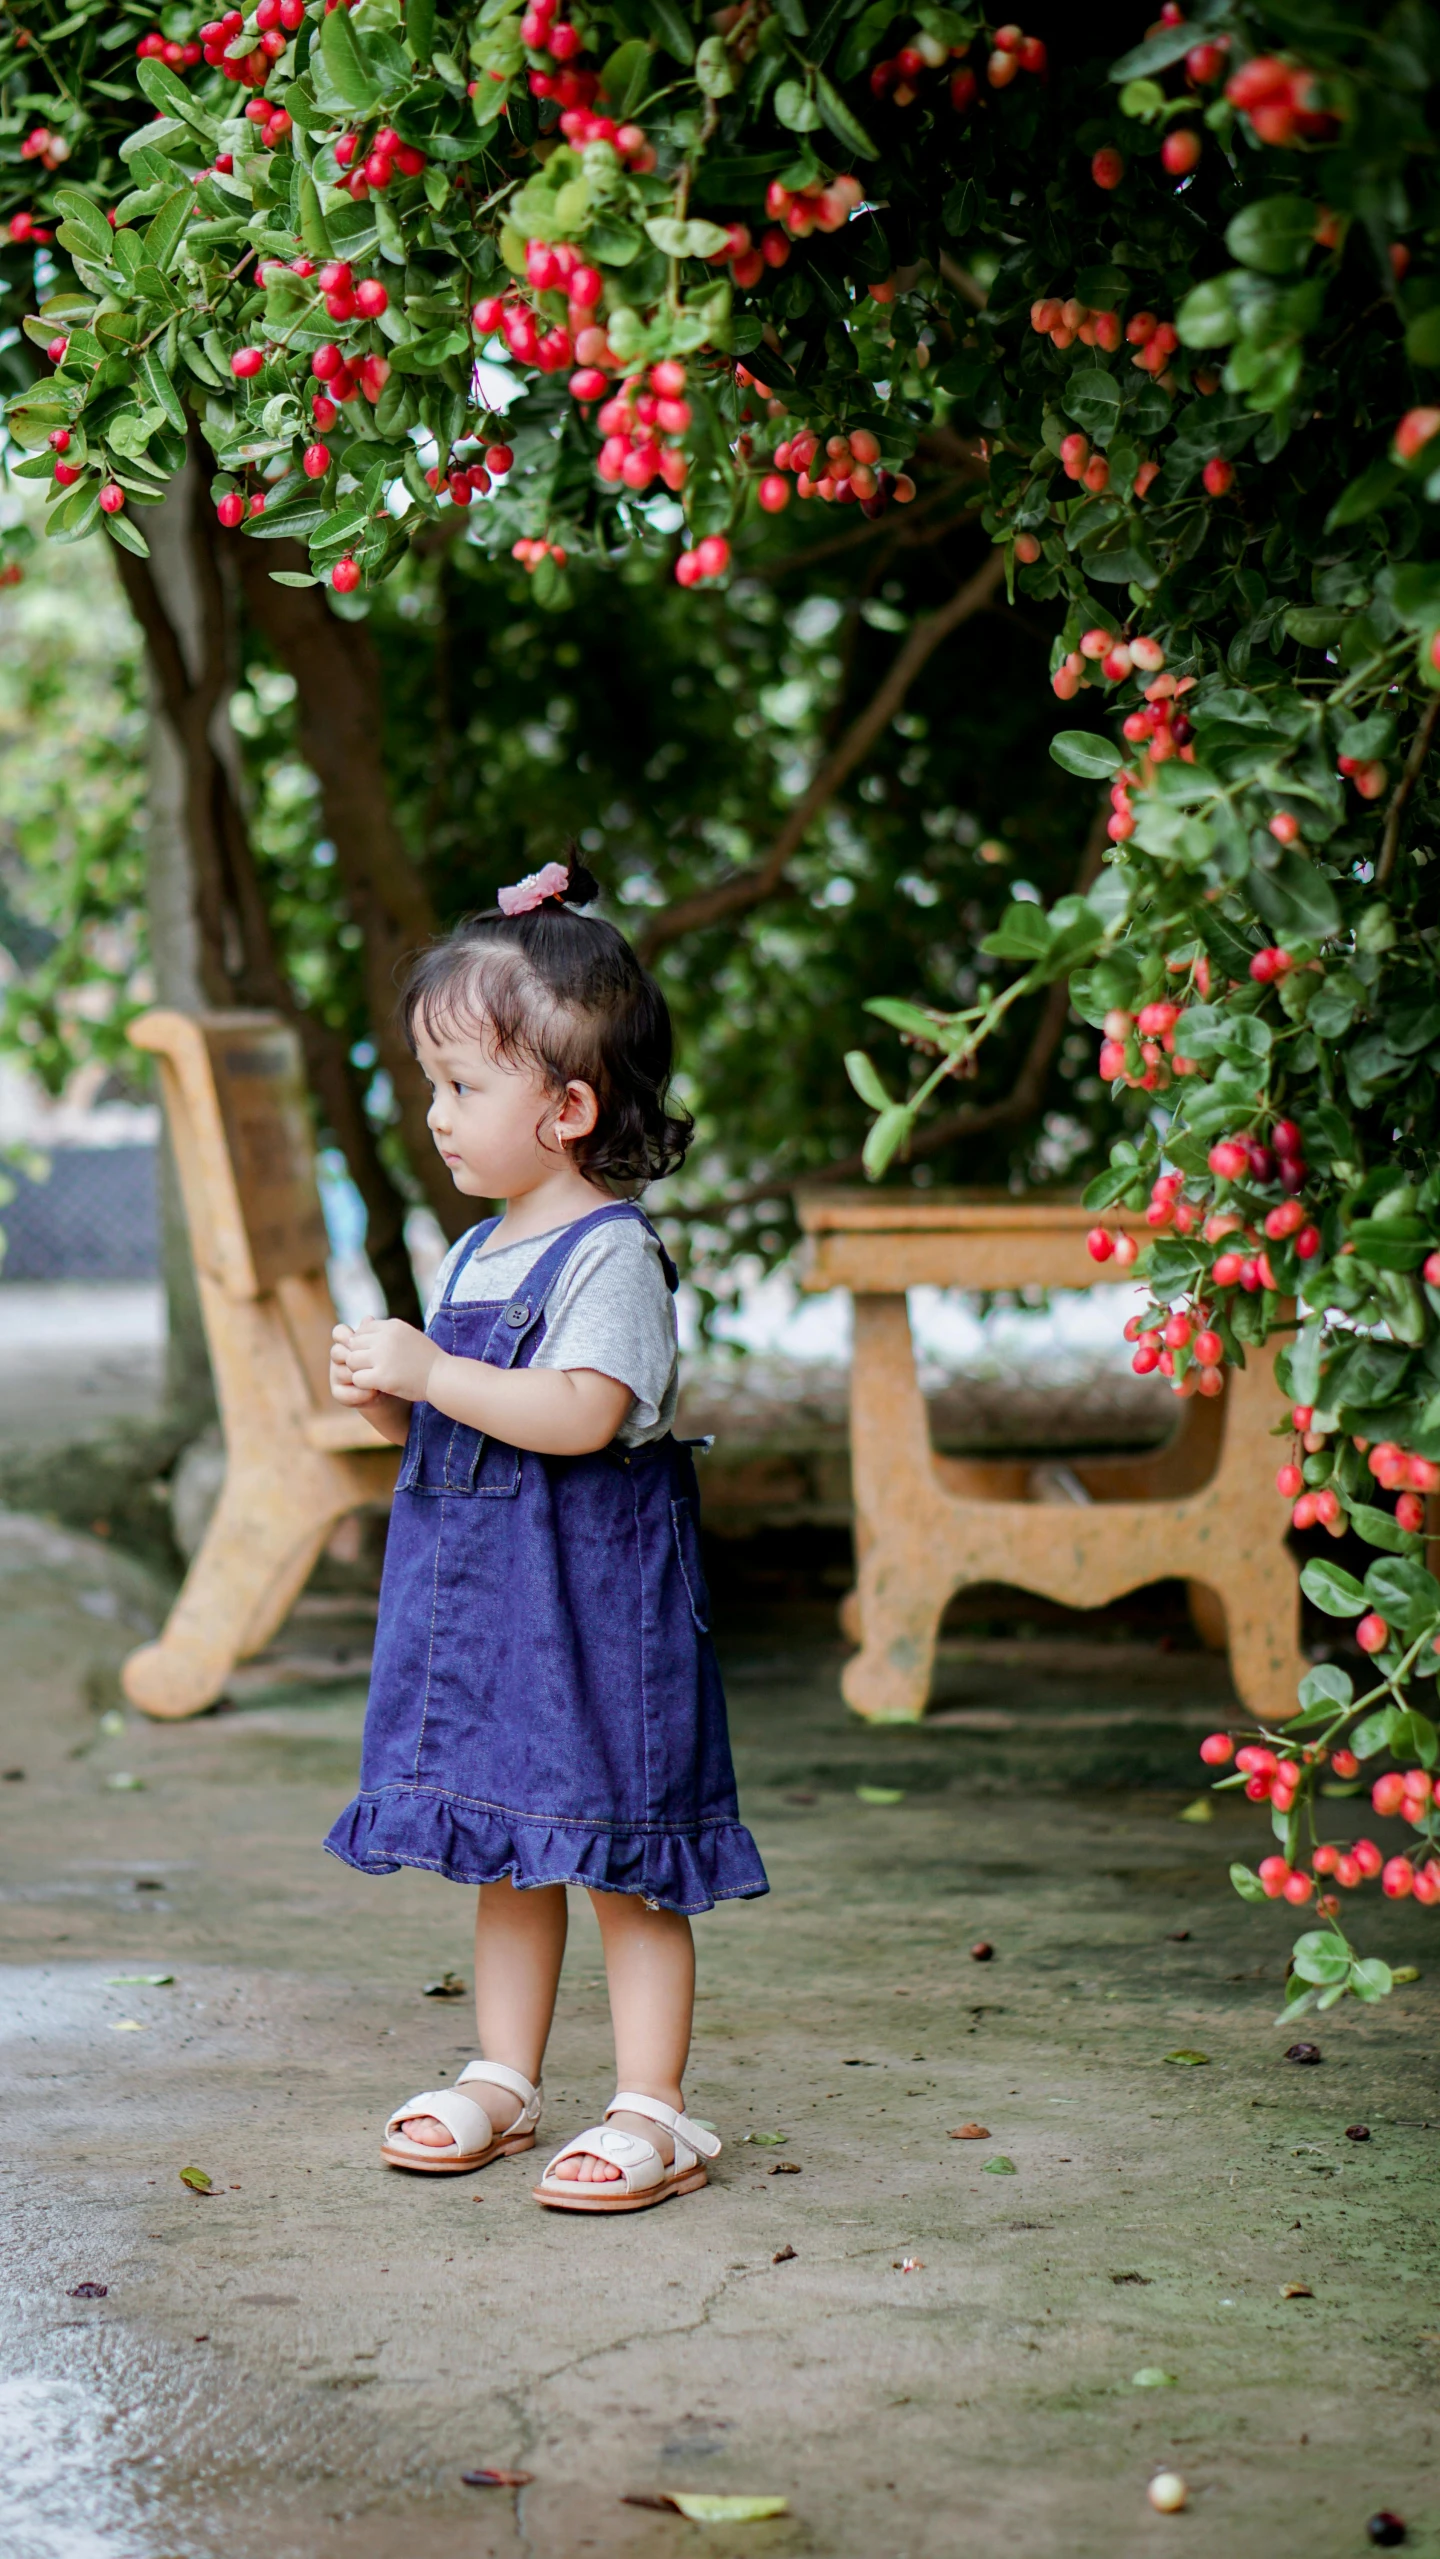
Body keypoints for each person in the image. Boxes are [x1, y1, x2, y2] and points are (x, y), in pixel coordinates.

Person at [325, 857, 767, 2212]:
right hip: (488, 1619)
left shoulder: (610, 1258)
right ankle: (504, 2075)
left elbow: (580, 1416)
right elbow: (472, 1437)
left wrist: (430, 1372)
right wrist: (396, 1400)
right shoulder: (479, 1253)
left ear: (569, 1109)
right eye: (431, 1079)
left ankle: (656, 2107)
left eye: (464, 1085)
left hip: (597, 1619)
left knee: (623, 1857)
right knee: (506, 1848)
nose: (436, 1112)